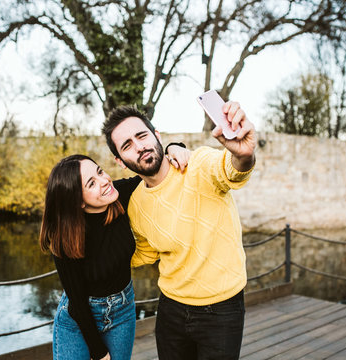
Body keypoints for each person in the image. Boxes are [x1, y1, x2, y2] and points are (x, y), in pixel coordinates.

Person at [101, 100, 256, 360]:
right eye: (127, 145)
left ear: (156, 136)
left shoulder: (199, 164)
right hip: (170, 309)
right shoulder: (136, 202)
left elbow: (231, 171)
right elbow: (145, 253)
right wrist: (94, 260)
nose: (139, 146)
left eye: (141, 135)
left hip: (222, 310)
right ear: (120, 161)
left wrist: (244, 155)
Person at [39, 145, 190, 360]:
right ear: (78, 201)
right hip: (79, 318)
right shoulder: (65, 236)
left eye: (99, 171)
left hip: (122, 311)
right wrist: (99, 353)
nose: (104, 181)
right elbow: (77, 302)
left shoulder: (118, 195)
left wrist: (173, 148)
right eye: (91, 183)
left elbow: (155, 169)